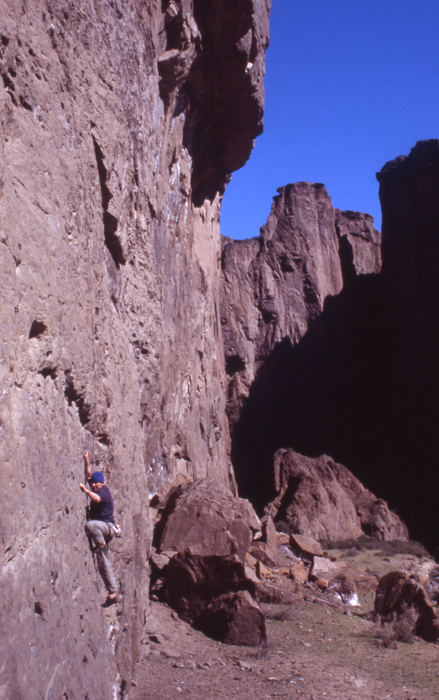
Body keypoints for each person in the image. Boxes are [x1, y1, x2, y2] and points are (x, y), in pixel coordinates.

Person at [79, 451, 118, 607]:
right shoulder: (97, 485)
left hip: (106, 528)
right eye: (92, 484)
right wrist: (87, 460)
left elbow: (96, 499)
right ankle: (112, 593)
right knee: (103, 563)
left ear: (101, 483)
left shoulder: (102, 493)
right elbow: (89, 476)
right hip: (105, 530)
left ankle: (100, 545)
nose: (92, 485)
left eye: (95, 484)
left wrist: (86, 491)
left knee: (90, 525)